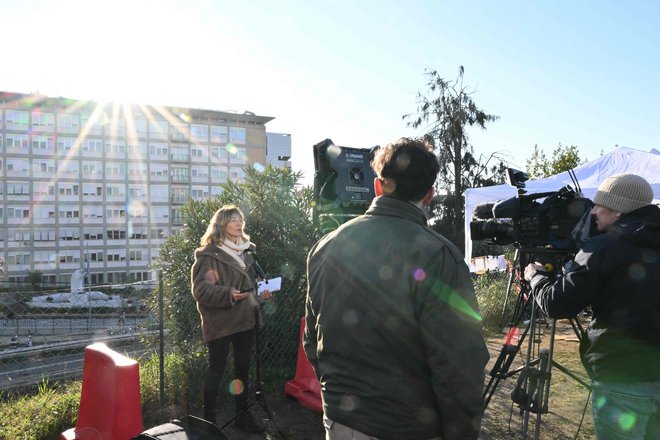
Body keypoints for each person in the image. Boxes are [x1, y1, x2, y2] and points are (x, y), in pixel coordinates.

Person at [304, 137, 490, 440]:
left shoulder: (325, 247)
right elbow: (459, 366)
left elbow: (313, 341)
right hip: (410, 427)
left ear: (378, 186)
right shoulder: (439, 256)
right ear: (429, 196)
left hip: (341, 423)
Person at [524, 173, 660, 440]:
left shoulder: (604, 247)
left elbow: (557, 304)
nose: (594, 211)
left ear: (619, 210)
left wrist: (535, 276)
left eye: (600, 205)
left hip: (622, 377)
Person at [191, 204, 272, 433]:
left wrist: (263, 292)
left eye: (241, 219)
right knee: (216, 369)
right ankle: (209, 421)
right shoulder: (209, 254)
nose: (239, 223)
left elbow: (253, 283)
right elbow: (201, 290)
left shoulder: (248, 251)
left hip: (245, 320)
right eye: (233, 220)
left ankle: (241, 417)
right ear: (221, 225)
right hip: (220, 323)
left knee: (242, 370)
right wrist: (228, 294)